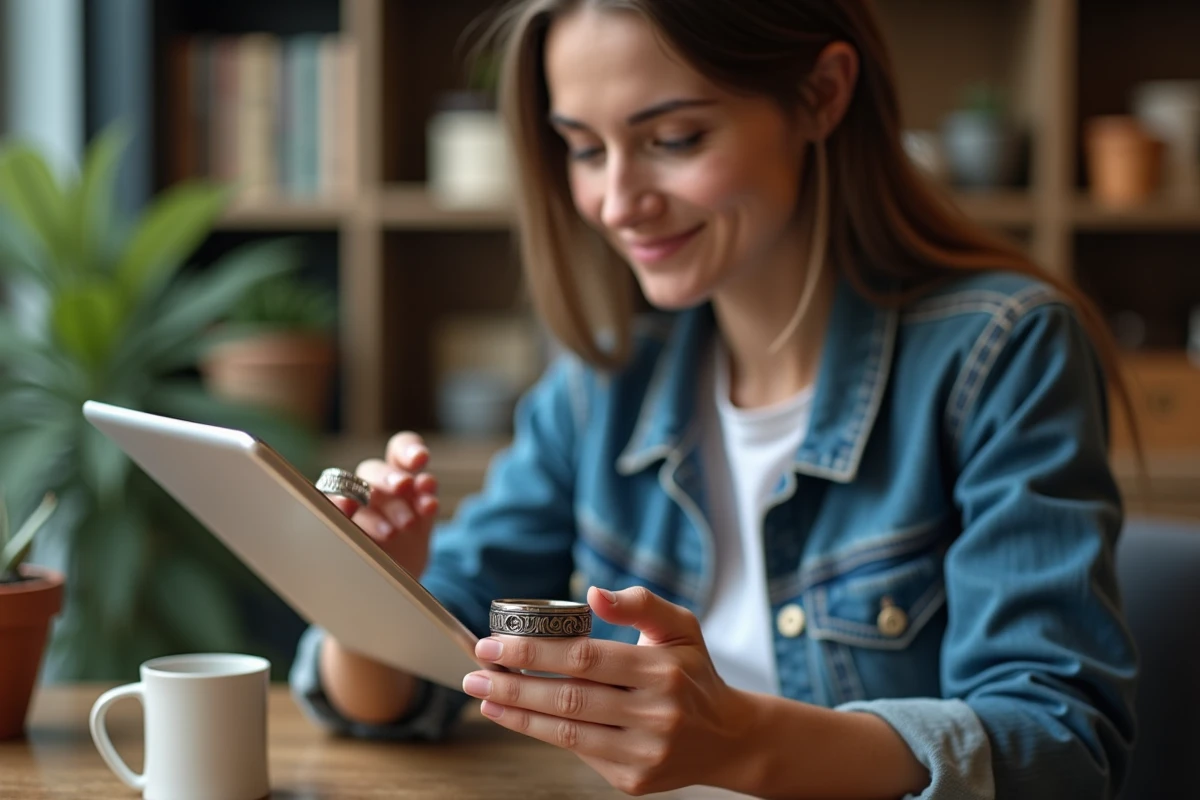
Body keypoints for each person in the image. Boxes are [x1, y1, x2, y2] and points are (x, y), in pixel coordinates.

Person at [290, 1, 1139, 797]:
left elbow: (1057, 743)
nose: (618, 202)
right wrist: (370, 595)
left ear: (820, 95)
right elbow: (416, 683)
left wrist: (736, 741)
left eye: (675, 138)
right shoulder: (604, 382)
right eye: (585, 149)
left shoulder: (1001, 350)